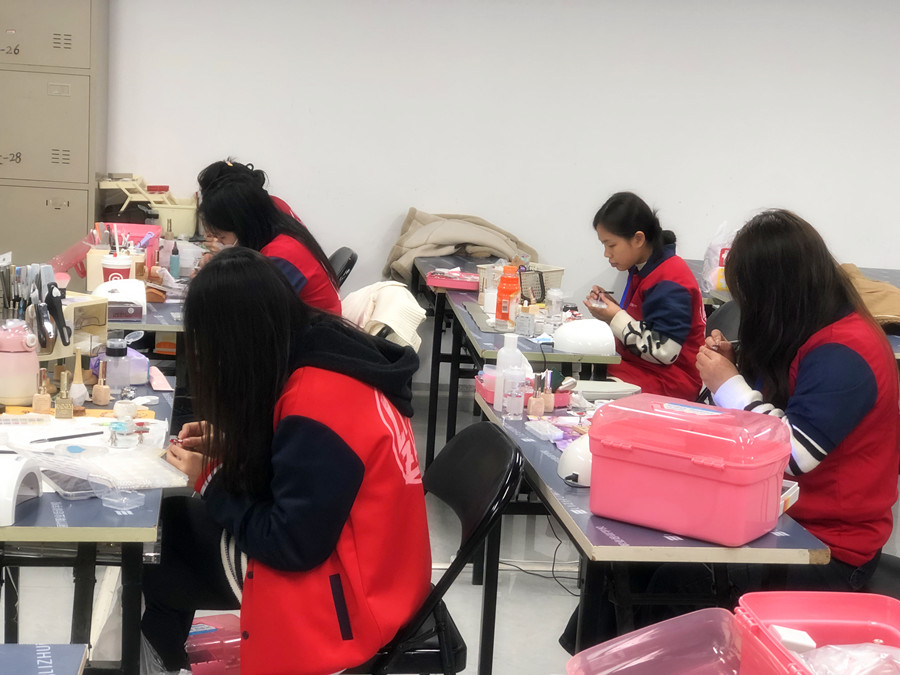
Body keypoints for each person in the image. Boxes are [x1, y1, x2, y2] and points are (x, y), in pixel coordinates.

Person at [141, 248, 431, 674]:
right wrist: (233, 446)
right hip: (384, 571)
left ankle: (159, 664)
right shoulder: (324, 351)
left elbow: (290, 545)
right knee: (174, 526)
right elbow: (311, 475)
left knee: (162, 555)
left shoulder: (317, 403)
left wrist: (212, 478)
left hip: (352, 599)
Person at [697, 208, 900, 588]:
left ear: (776, 293)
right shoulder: (800, 335)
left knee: (672, 580)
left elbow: (793, 455)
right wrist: (727, 373)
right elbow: (741, 426)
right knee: (631, 569)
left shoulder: (846, 351)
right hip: (776, 520)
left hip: (829, 548)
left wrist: (730, 385)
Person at [583, 192, 706, 399]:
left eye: (611, 245)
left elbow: (665, 350)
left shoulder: (670, 279)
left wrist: (615, 317)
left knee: (583, 388)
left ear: (638, 239)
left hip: (670, 381)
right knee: (583, 369)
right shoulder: (644, 269)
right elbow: (645, 323)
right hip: (644, 368)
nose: (606, 253)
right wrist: (612, 310)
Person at [196, 159, 342, 314]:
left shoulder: (278, 258)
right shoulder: (272, 220)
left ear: (243, 226)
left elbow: (247, 311)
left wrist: (211, 278)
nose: (218, 242)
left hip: (313, 327)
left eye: (222, 237)